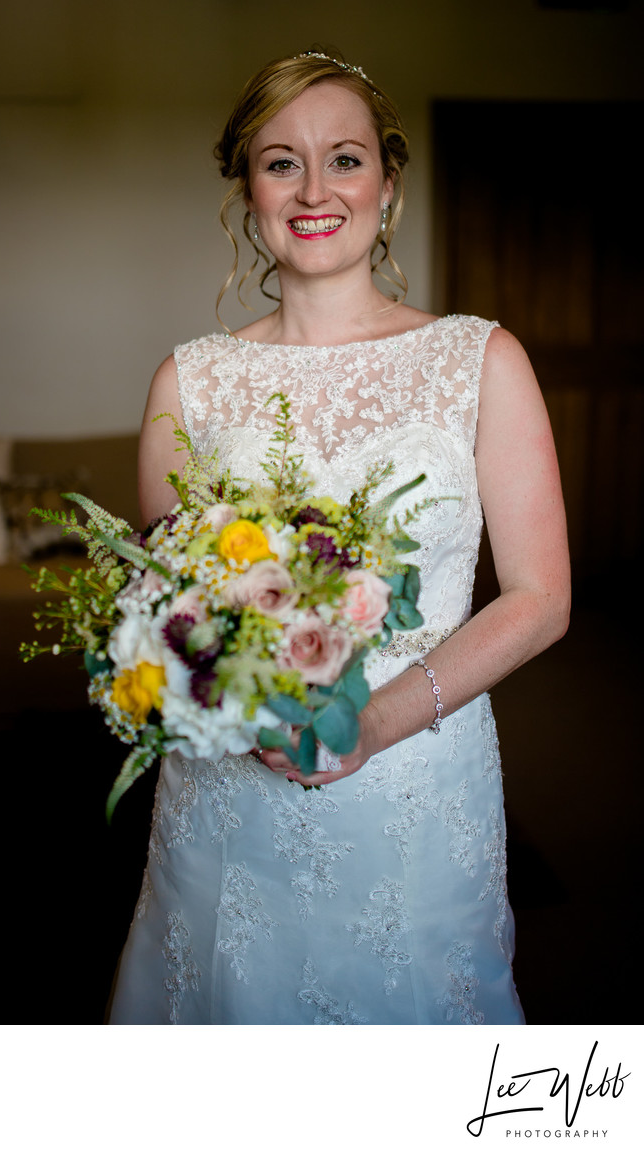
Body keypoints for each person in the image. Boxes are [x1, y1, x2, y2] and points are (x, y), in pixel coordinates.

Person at [107, 50, 570, 1024]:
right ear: (246, 187)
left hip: (415, 791)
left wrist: (372, 722)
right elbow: (165, 606)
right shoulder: (185, 382)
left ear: (387, 183)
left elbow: (538, 598)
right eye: (280, 162)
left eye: (343, 159)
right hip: (226, 801)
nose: (313, 189)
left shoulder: (478, 359)